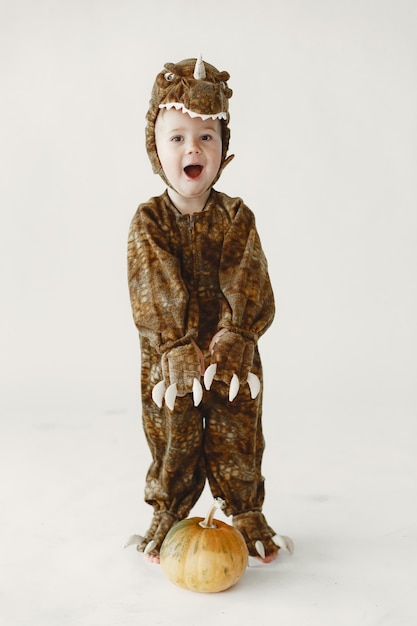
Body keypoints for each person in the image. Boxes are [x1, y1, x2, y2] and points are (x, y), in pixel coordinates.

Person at [127, 55, 293, 564]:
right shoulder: (149, 220)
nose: (192, 147)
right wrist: (177, 345)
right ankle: (170, 512)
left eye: (205, 137)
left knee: (239, 426)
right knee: (172, 431)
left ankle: (245, 510)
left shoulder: (236, 215)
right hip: (170, 358)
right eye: (176, 137)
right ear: (155, 150)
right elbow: (152, 283)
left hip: (232, 356)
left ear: (224, 151)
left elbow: (248, 275)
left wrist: (237, 334)